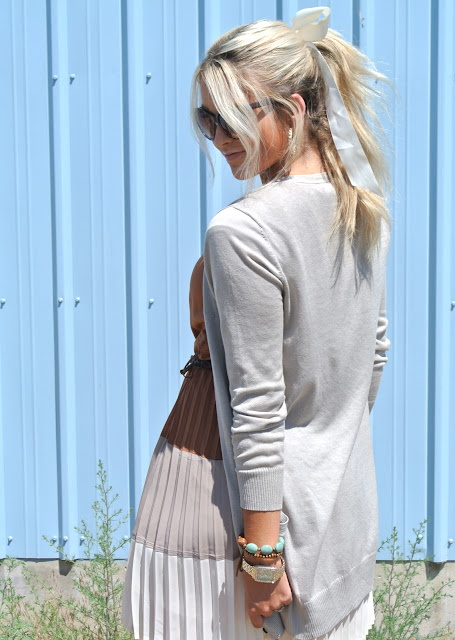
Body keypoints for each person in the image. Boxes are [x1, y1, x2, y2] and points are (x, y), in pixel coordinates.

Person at [121, 6, 391, 640]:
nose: (218, 136)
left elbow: (258, 405)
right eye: (205, 119)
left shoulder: (243, 230)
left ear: (292, 112)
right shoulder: (361, 208)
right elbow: (372, 359)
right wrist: (325, 451)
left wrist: (263, 562)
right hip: (342, 515)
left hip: (241, 515)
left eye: (232, 116)